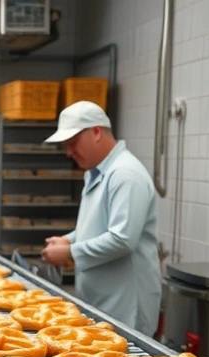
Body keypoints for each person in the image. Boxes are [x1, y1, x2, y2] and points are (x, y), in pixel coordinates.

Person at [39, 101, 162, 336]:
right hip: (104, 299)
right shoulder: (96, 172)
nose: (68, 152)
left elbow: (122, 239)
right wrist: (68, 239)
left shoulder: (125, 175)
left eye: (72, 143)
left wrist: (70, 252)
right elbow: (96, 225)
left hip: (126, 303)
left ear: (96, 132)